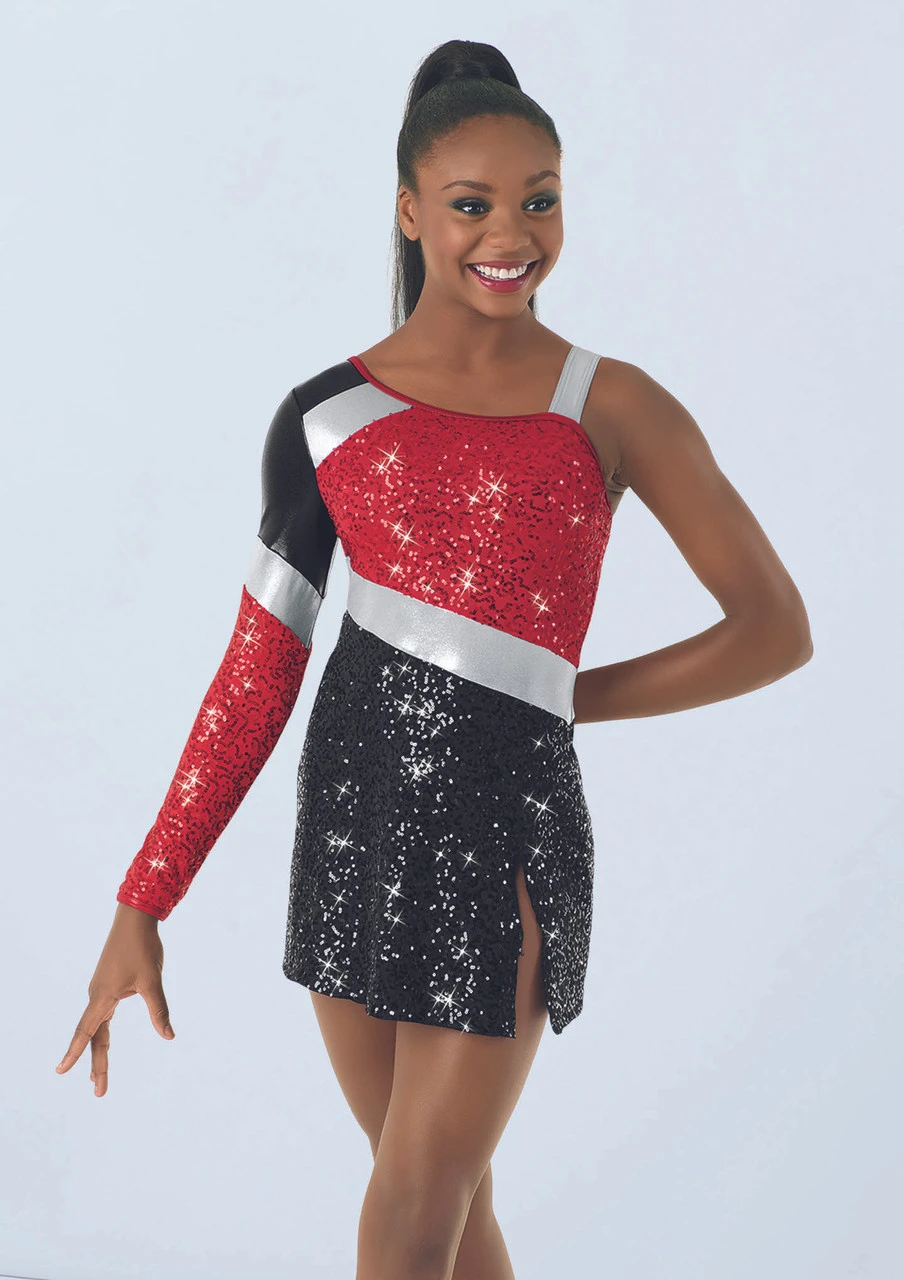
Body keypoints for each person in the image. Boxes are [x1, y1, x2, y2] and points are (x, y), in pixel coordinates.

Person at [55, 37, 813, 1280]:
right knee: (447, 1215)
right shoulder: (326, 415)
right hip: (351, 829)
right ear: (410, 211)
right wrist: (145, 898)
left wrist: (563, 699)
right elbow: (255, 675)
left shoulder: (610, 406)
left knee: (411, 1216)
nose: (509, 234)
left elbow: (773, 627)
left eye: (539, 200)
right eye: (471, 204)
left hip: (506, 835)